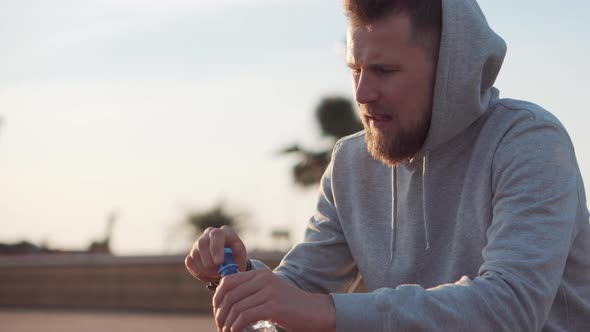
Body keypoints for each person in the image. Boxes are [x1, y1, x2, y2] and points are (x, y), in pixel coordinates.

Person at [185, 0, 590, 330]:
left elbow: (510, 308)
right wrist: (239, 276)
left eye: (384, 70)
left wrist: (323, 311)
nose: (361, 92)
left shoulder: (529, 142)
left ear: (451, 72)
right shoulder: (350, 162)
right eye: (355, 70)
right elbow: (301, 289)